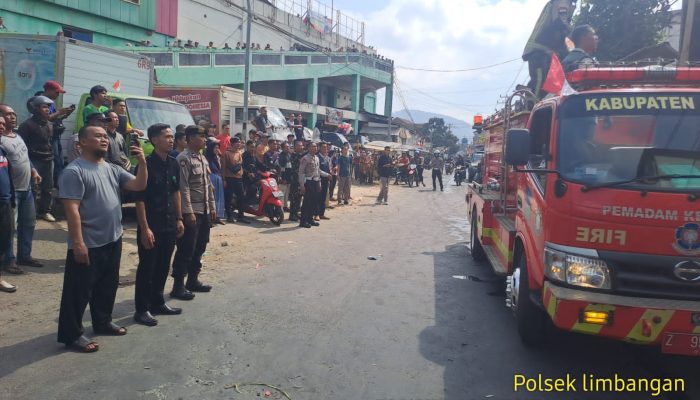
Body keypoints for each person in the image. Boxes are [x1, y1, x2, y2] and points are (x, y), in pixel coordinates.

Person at [57, 125, 148, 352]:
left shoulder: (111, 168)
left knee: (107, 285)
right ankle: (72, 334)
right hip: (88, 242)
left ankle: (102, 321)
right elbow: (72, 210)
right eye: (97, 136)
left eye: (105, 136)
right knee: (78, 291)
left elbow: (138, 185)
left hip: (113, 238)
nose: (104, 139)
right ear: (82, 143)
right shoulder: (74, 171)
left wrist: (143, 163)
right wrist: (78, 243)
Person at [133, 124, 184, 327]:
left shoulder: (173, 164)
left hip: (169, 223)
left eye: (172, 136)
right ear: (154, 140)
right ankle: (142, 309)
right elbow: (139, 199)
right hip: (151, 225)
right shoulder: (145, 165)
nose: (171, 140)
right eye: (167, 137)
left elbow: (175, 192)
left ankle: (157, 302)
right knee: (147, 268)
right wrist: (145, 228)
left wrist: (179, 218)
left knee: (163, 265)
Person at [171, 125, 216, 300]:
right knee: (186, 248)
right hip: (193, 212)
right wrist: (187, 213)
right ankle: (178, 286)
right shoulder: (184, 158)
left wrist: (212, 207)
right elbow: (183, 187)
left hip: (204, 210)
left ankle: (193, 280)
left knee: (200, 247)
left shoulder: (202, 158)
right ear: (190, 138)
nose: (205, 139)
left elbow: (207, 186)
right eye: (202, 136)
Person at [0, 108, 43, 274]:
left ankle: (24, 255)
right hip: (11, 193)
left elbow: (25, 157)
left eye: (14, 114)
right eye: (8, 114)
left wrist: (33, 170)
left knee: (28, 224)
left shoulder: (17, 135)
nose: (12, 116)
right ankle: (9, 260)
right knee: (10, 228)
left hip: (27, 189)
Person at [19, 96, 57, 222]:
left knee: (48, 188)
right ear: (36, 108)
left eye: (48, 107)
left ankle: (45, 211)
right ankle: (31, 213)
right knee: (33, 188)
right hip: (33, 160)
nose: (47, 110)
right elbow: (22, 146)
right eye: (44, 107)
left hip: (48, 160)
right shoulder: (26, 125)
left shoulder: (50, 125)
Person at [40, 81, 75, 183]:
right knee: (55, 160)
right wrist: (59, 112)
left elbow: (54, 119)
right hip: (47, 136)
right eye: (56, 92)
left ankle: (59, 183)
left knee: (59, 161)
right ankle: (55, 183)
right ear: (49, 90)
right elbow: (46, 119)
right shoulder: (41, 101)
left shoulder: (50, 102)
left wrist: (66, 114)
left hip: (55, 135)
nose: (58, 94)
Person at [0, 126, 16, 293]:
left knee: (3, 241)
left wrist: (11, 198)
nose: (2, 126)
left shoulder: (2, 150)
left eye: (3, 124)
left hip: (4, 201)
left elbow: (8, 175)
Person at [298, 142, 327, 228]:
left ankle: (310, 219)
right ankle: (303, 221)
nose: (315, 148)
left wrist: (324, 177)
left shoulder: (316, 158)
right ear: (308, 148)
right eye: (313, 146)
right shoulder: (305, 158)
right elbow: (301, 172)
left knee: (314, 201)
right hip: (308, 182)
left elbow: (318, 171)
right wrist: (302, 185)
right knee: (307, 202)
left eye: (316, 146)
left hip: (315, 181)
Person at [222, 137, 248, 224]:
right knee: (229, 198)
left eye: (240, 142)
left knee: (241, 197)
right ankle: (229, 216)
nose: (239, 144)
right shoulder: (226, 153)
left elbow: (240, 165)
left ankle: (241, 216)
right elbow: (223, 167)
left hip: (238, 178)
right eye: (237, 142)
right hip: (229, 178)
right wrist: (224, 179)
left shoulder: (239, 153)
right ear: (232, 143)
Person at [205, 137, 226, 225]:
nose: (217, 149)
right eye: (215, 148)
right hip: (212, 178)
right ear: (211, 148)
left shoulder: (217, 157)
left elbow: (220, 168)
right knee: (212, 198)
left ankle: (217, 217)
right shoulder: (206, 157)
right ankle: (210, 219)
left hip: (218, 178)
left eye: (218, 148)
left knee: (219, 198)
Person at [288, 141, 304, 221]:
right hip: (294, 179)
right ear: (295, 147)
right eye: (299, 146)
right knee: (294, 198)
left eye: (302, 146)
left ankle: (296, 213)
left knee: (299, 198)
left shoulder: (301, 155)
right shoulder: (293, 155)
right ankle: (292, 215)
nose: (301, 147)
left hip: (300, 180)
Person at [316, 143, 332, 221]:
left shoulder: (327, 158)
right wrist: (327, 174)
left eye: (326, 147)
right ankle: (316, 214)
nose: (325, 149)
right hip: (319, 180)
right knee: (318, 198)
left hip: (326, 180)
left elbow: (329, 168)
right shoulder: (317, 157)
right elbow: (318, 170)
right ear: (319, 148)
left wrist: (331, 173)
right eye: (323, 147)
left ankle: (322, 214)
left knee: (323, 198)